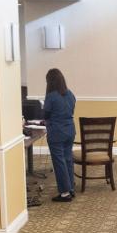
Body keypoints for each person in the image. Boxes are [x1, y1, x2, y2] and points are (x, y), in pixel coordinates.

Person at [44, 68, 77, 203]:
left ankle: (64, 193)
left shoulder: (51, 96)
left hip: (57, 132)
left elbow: (46, 114)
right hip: (70, 130)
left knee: (59, 162)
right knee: (68, 159)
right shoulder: (70, 94)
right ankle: (70, 189)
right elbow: (71, 109)